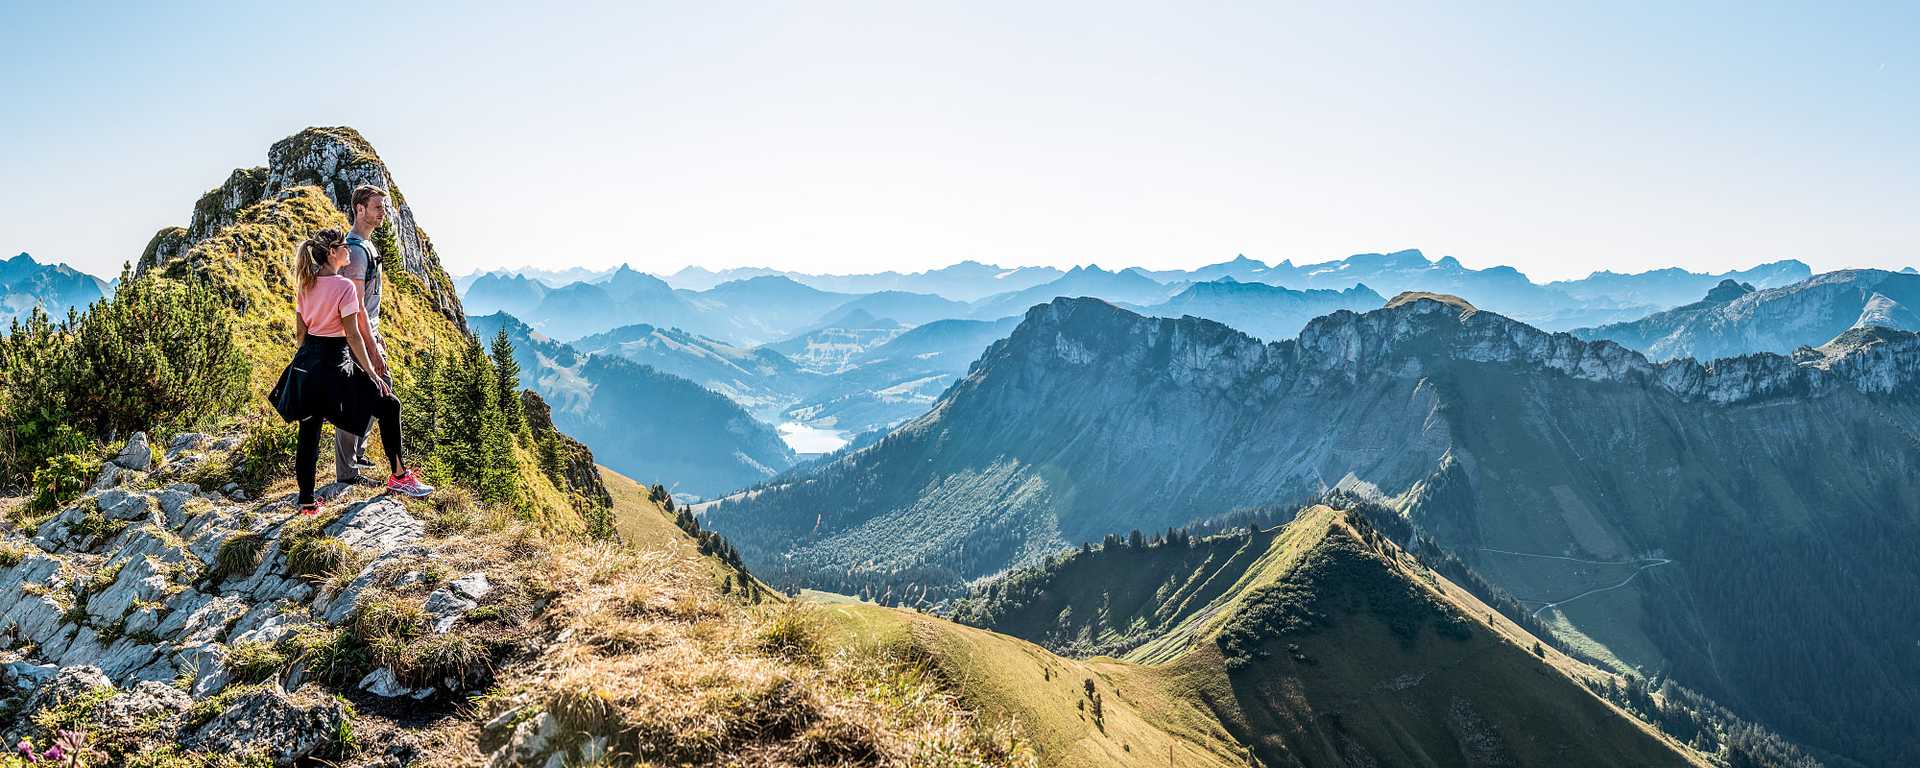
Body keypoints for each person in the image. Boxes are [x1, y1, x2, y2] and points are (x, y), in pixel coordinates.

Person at [270, 228, 434, 514]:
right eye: (343, 246)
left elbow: (300, 333)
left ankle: (307, 501)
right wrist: (371, 373)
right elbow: (354, 335)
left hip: (306, 364)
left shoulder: (305, 285)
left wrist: (308, 362)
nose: (348, 249)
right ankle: (399, 477)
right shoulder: (344, 286)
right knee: (389, 404)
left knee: (309, 431)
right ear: (332, 253)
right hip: (335, 361)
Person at [335, 184, 390, 482]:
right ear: (360, 209)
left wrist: (376, 335)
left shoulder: (366, 246)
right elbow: (355, 307)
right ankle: (347, 471)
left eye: (383, 207)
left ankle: (357, 454)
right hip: (355, 336)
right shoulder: (355, 250)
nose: (383, 213)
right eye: (377, 207)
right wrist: (370, 346)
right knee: (355, 399)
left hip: (368, 332)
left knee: (378, 390)